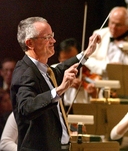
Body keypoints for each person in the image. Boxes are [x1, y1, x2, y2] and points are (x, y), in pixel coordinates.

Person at [10, 17, 101, 150]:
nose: (53, 41)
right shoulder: (25, 73)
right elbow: (26, 107)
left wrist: (86, 53)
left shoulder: (43, 69)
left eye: (52, 35)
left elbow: (60, 69)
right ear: (30, 43)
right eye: (47, 37)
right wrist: (60, 89)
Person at [84, 6, 128, 77]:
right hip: (103, 79)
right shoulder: (99, 34)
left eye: (118, 25)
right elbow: (87, 59)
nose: (113, 27)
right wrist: (107, 66)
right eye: (112, 23)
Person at [53, 38, 102, 109]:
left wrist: (94, 95)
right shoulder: (53, 72)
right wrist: (64, 85)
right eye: (65, 62)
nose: (70, 65)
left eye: (73, 60)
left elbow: (99, 107)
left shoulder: (91, 73)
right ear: (59, 58)